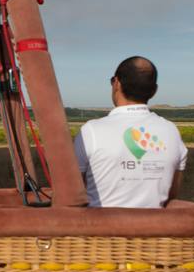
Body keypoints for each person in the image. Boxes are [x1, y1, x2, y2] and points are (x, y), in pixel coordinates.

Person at [73, 56, 186, 208]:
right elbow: (172, 194)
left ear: (116, 83)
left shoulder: (91, 131)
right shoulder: (171, 131)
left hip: (101, 229)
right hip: (155, 229)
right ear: (154, 91)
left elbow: (73, 190)